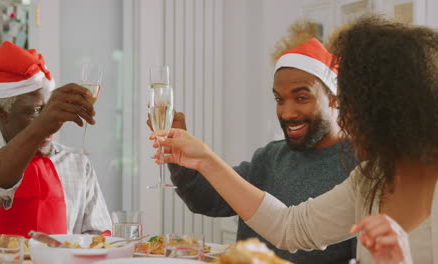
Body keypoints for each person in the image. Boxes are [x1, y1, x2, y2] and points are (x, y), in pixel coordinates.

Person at [153, 16, 438, 263]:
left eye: (353, 105)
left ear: (393, 108)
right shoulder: (368, 179)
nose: (345, 118)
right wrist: (203, 159)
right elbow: (291, 228)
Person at [154, 31, 358, 264]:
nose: (287, 113)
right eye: (279, 99)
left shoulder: (360, 166)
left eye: (302, 98)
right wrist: (179, 156)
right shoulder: (269, 157)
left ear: (335, 98)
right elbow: (204, 198)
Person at [0, 41, 111, 249]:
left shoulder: (77, 163)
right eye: (36, 111)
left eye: (50, 109)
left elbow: (99, 237)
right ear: (0, 113)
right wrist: (41, 127)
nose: (53, 124)